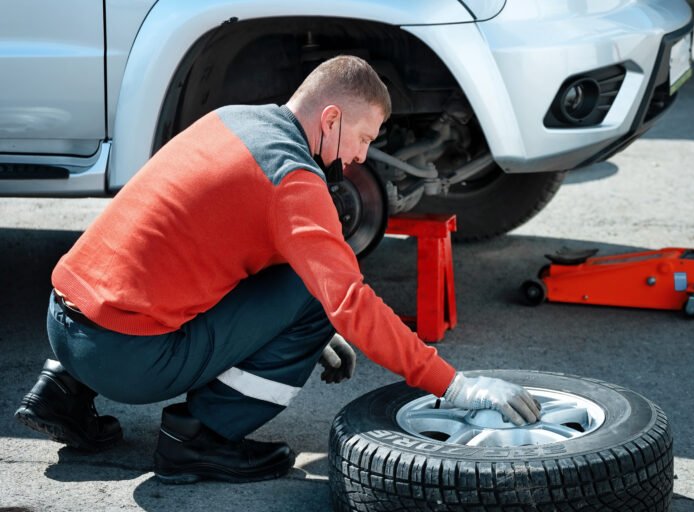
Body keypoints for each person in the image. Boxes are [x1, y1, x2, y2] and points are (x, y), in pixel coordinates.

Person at [15, 55, 540, 484]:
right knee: (317, 300)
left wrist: (279, 326)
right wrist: (452, 385)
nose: (359, 157)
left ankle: (61, 394)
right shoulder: (292, 179)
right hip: (123, 357)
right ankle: (199, 440)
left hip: (63, 322)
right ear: (331, 118)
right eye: (363, 137)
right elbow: (349, 302)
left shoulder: (233, 119)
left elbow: (216, 240)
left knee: (223, 274)